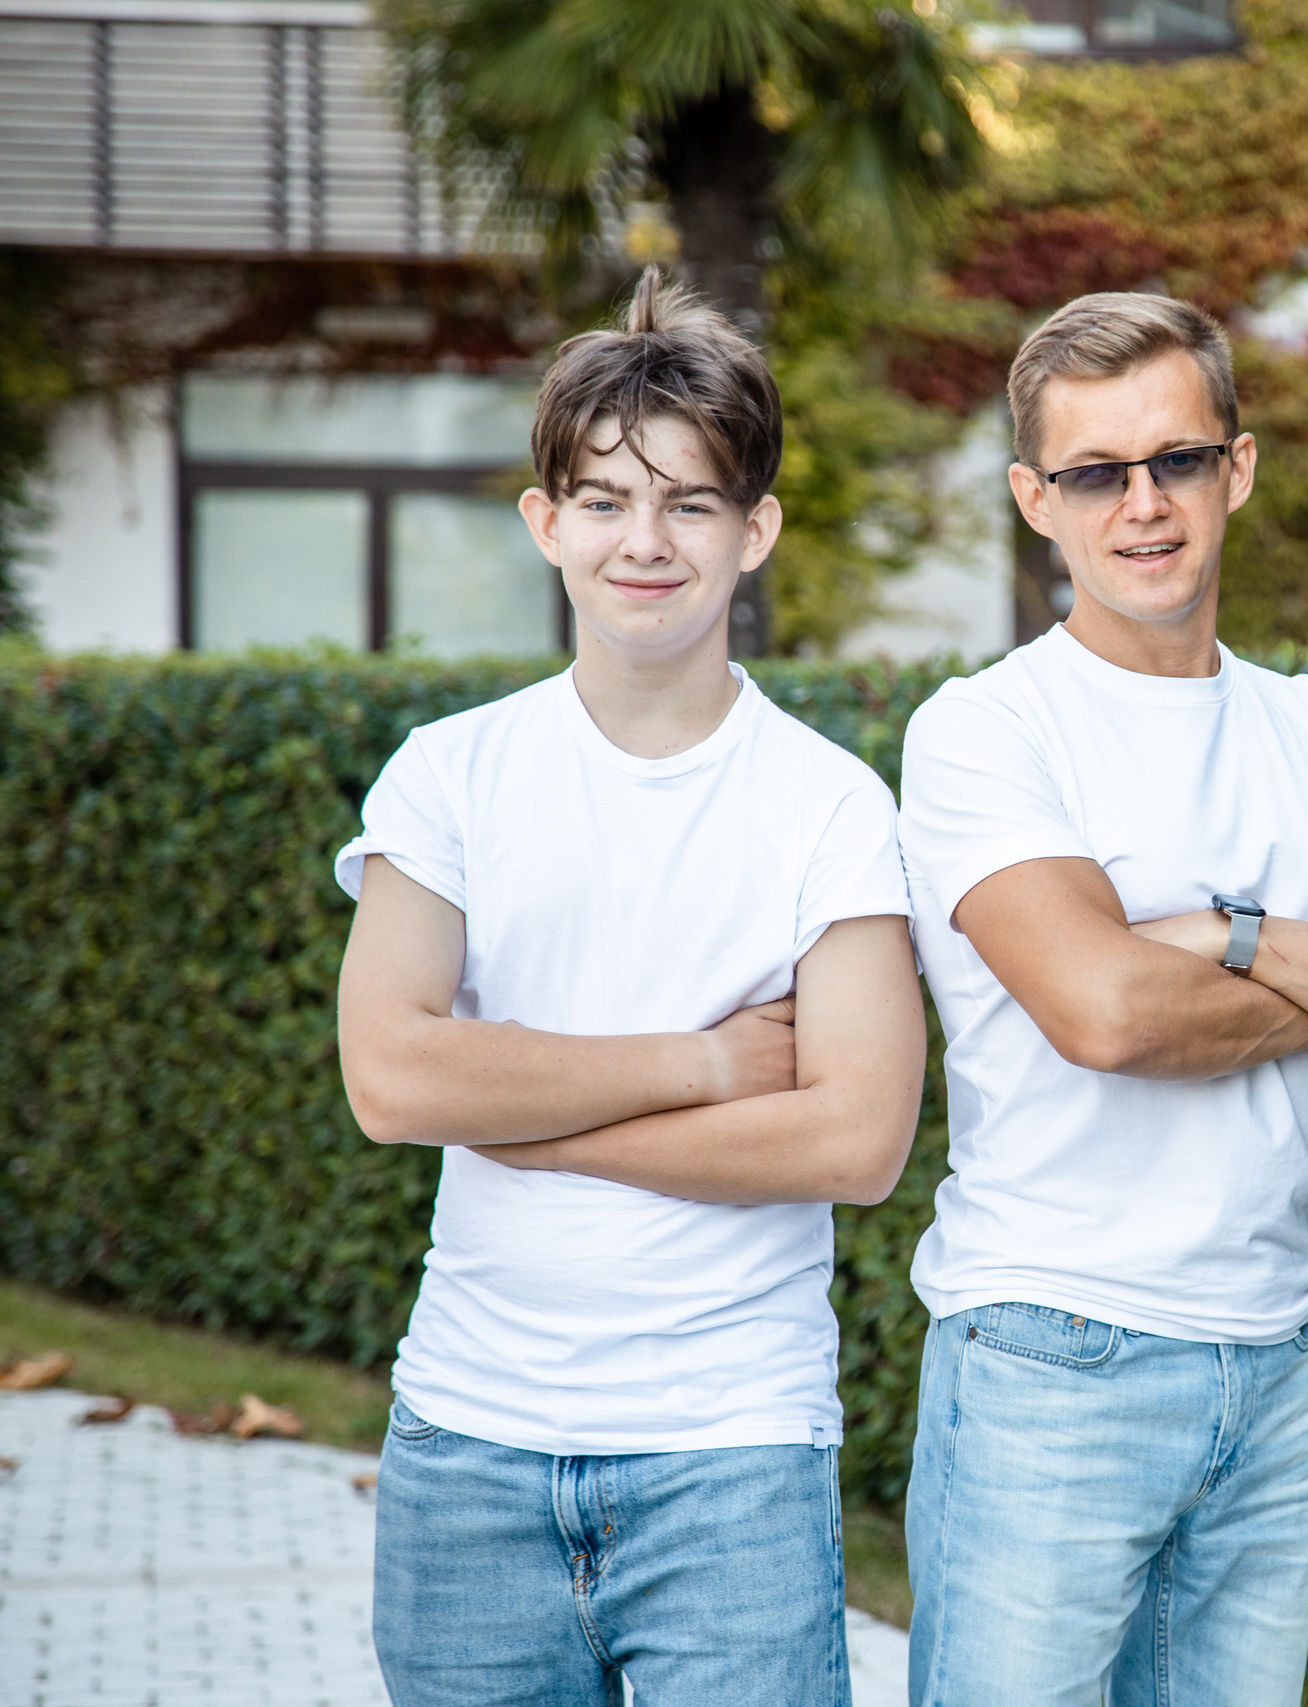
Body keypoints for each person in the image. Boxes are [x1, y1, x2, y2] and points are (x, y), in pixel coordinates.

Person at [896, 291, 1308, 1706]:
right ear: (1032, 503)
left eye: (1177, 460)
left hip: (1271, 1360)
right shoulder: (986, 733)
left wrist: (1227, 935)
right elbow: (1108, 1015)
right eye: (1096, 474)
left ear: (1237, 469)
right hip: (1051, 1357)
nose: (1145, 505)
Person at [332, 268, 925, 1707]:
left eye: (690, 503)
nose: (644, 541)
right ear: (547, 524)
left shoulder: (831, 807)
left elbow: (854, 1143)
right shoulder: (451, 774)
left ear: (755, 531)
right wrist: (708, 1063)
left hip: (732, 1460)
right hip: (467, 1455)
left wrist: (518, 1105)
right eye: (604, 499)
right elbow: (394, 1081)